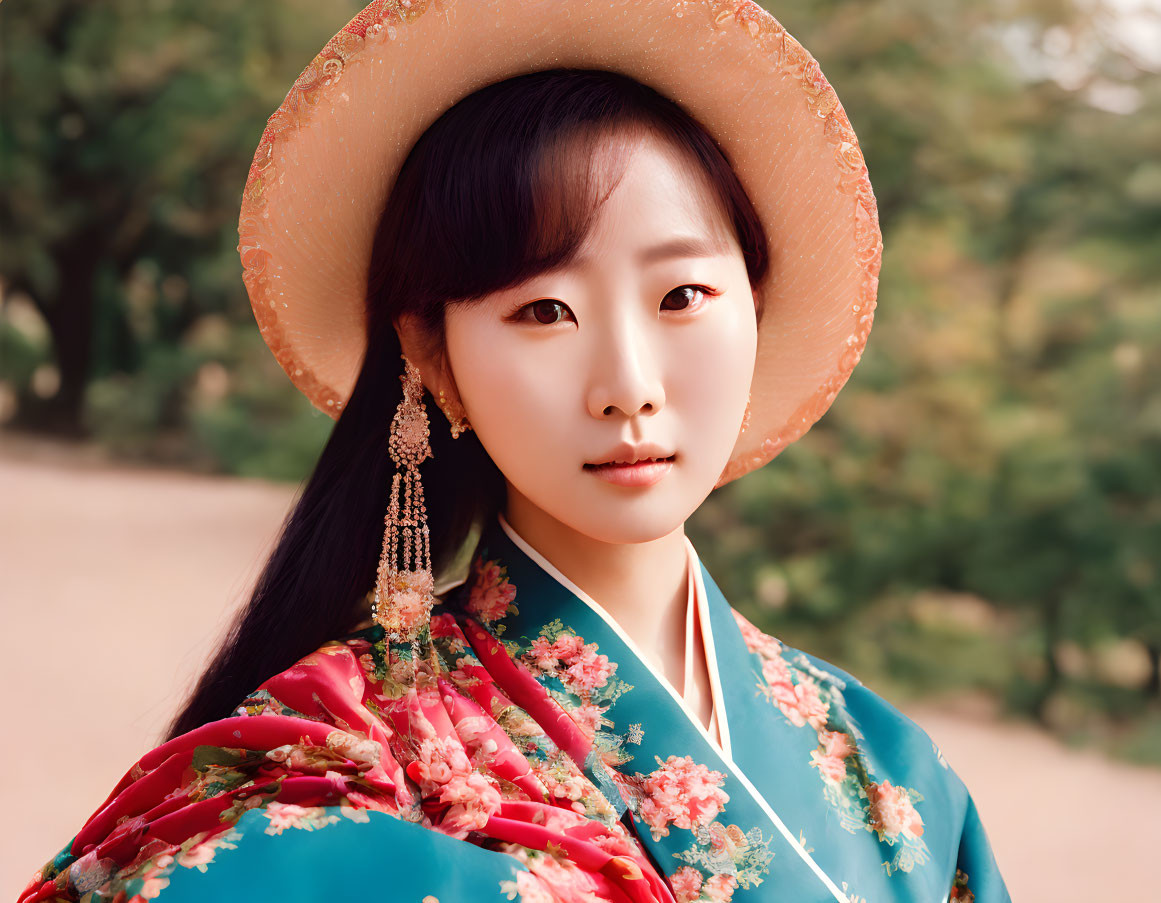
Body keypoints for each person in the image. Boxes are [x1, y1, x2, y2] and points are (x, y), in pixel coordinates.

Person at [19, 2, 1009, 901]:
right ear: (429, 350)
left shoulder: (890, 775)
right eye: (544, 310)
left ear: (756, 301)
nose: (627, 383)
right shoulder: (334, 762)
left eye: (682, 297)